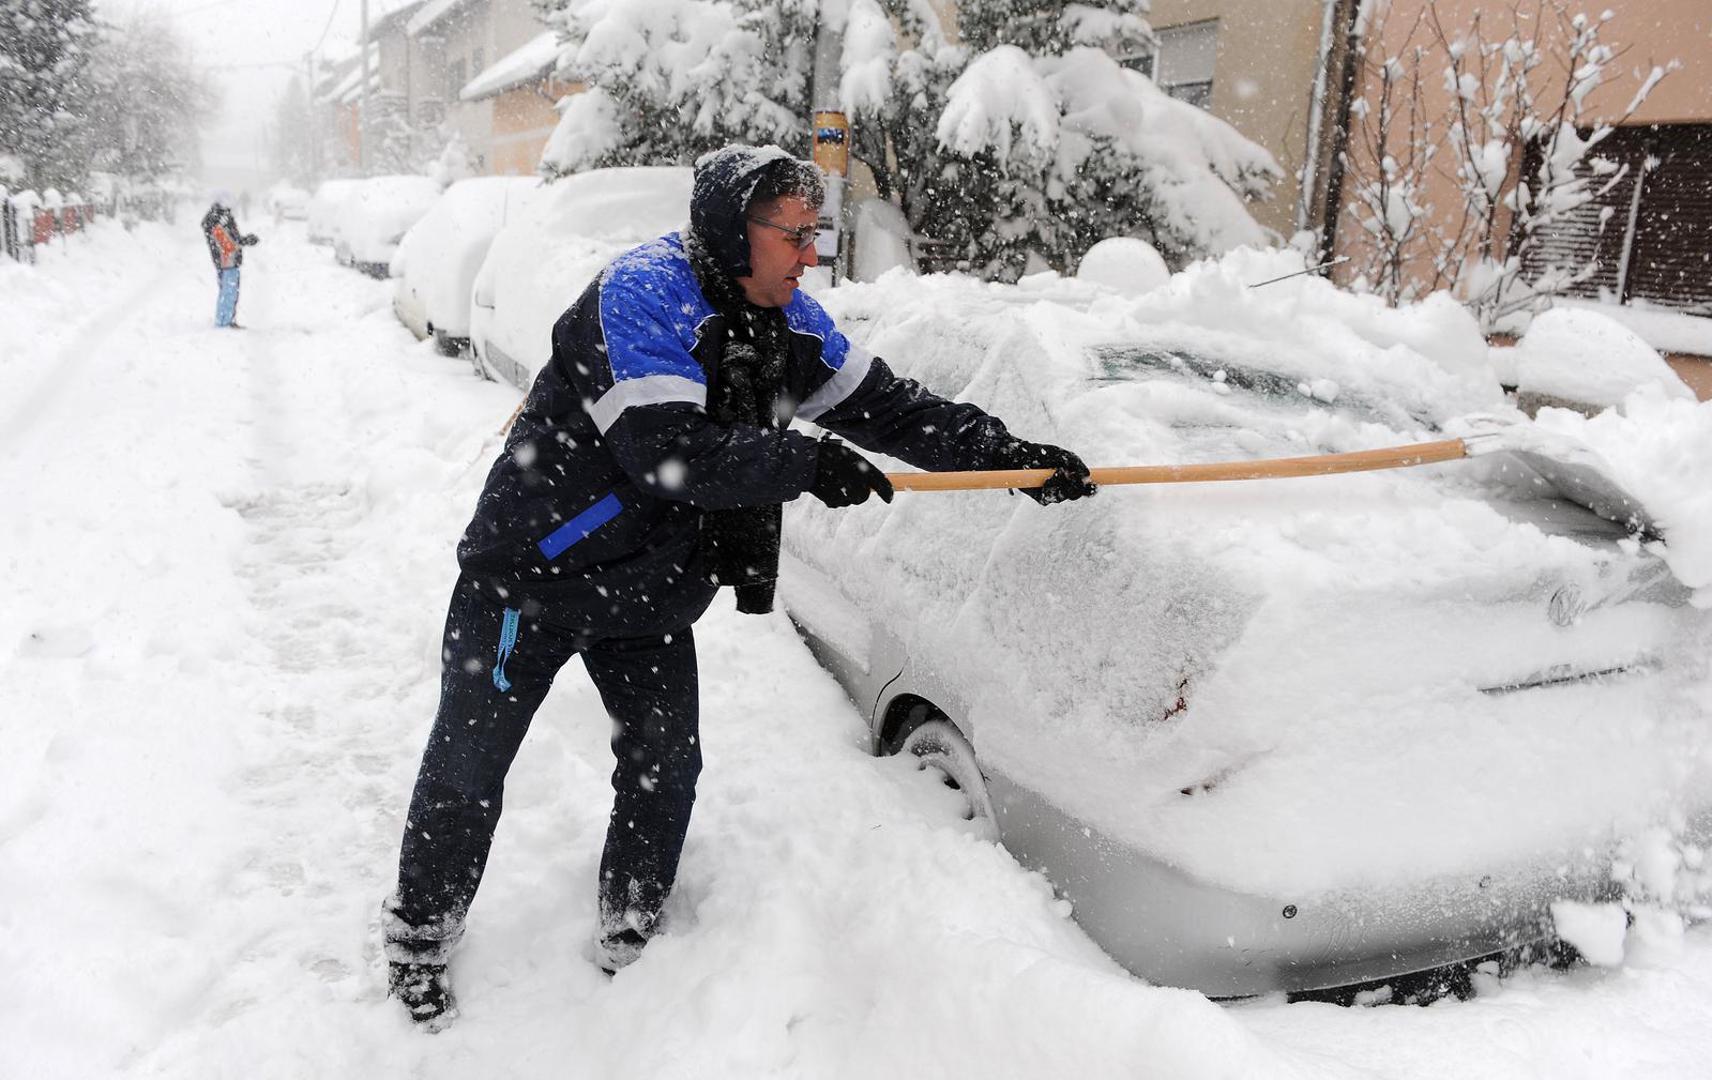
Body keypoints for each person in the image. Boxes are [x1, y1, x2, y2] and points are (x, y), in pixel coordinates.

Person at [381, 144, 1097, 1029]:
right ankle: (419, 935)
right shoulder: (643, 296)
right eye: (793, 235)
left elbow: (890, 407)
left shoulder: (786, 317)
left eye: (815, 235)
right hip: (528, 578)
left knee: (664, 765)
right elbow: (668, 453)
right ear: (733, 230)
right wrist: (804, 460)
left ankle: (632, 928)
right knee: (468, 767)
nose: (809, 255)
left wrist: (1005, 456)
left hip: (645, 591)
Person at [200, 193, 258, 328]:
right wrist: (245, 241)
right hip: (228, 261)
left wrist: (242, 240)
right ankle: (224, 322)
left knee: (227, 291)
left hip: (224, 261)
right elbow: (227, 243)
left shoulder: (216, 217)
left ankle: (225, 320)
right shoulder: (218, 218)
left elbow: (229, 239)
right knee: (229, 292)